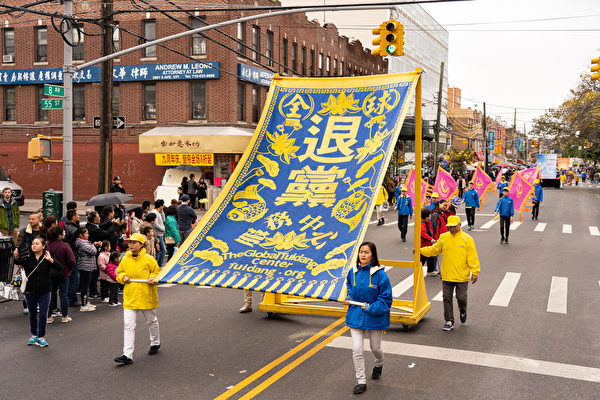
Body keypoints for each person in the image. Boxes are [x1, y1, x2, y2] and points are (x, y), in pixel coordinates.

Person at [343, 242, 392, 395]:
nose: (362, 255)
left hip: (374, 317)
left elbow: (386, 299)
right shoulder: (353, 271)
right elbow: (349, 286)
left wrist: (371, 307)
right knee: (357, 349)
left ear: (373, 255)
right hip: (356, 314)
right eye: (361, 252)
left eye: (366, 252)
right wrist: (348, 296)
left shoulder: (381, 274)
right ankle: (361, 381)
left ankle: (379, 362)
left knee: (375, 348)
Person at [419, 215, 480, 331]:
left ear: (459, 225)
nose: (451, 229)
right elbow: (434, 250)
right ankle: (449, 320)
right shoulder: (443, 237)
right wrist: (420, 251)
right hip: (447, 274)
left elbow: (472, 257)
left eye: (453, 226)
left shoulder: (467, 239)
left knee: (461, 298)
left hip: (461, 275)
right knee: (446, 298)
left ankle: (462, 310)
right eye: (449, 227)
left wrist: (475, 272)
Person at [114, 233, 161, 365]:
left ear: (141, 244)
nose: (131, 245)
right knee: (128, 326)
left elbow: (157, 272)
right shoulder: (125, 259)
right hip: (130, 297)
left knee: (152, 322)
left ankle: (155, 343)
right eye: (130, 242)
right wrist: (122, 277)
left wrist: (153, 278)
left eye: (134, 242)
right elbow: (119, 272)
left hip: (146, 296)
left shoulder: (149, 259)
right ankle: (127, 355)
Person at [14, 237, 62, 347]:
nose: (34, 245)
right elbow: (18, 261)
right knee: (32, 314)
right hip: (30, 291)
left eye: (37, 243)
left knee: (43, 314)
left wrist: (51, 260)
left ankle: (41, 336)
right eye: (33, 244)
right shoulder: (28, 258)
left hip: (45, 291)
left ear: (43, 246)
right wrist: (16, 256)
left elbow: (60, 268)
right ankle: (34, 335)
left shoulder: (47, 258)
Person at [16, 212, 43, 314]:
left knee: (39, 283)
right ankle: (26, 305)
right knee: (26, 283)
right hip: (27, 261)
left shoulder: (42, 231)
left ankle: (38, 303)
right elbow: (18, 246)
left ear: (39, 220)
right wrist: (19, 259)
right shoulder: (24, 232)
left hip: (40, 260)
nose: (31, 221)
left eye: (33, 219)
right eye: (30, 219)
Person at [46, 226, 74, 323]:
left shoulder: (47, 245)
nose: (65, 233)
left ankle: (48, 317)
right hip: (64, 273)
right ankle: (64, 316)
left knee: (49, 295)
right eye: (63, 232)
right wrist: (69, 269)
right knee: (63, 295)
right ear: (59, 235)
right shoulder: (65, 245)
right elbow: (72, 260)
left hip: (50, 273)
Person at [74, 227, 100, 312]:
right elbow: (93, 251)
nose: (88, 235)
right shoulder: (81, 243)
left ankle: (86, 302)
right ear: (81, 235)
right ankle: (84, 305)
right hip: (85, 266)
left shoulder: (84, 242)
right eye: (86, 233)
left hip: (87, 265)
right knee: (85, 287)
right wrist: (93, 245)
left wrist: (93, 244)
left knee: (86, 286)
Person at [149, 200, 166, 267]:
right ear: (161, 206)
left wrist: (162, 212)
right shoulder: (154, 213)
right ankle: (159, 265)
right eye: (163, 205)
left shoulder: (158, 212)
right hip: (157, 234)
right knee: (162, 250)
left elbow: (163, 220)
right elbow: (155, 224)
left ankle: (158, 265)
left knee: (160, 250)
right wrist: (163, 229)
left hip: (160, 234)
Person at [420, 208, 437, 277]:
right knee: (422, 258)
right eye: (429, 215)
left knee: (430, 257)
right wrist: (430, 239)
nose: (430, 216)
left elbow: (431, 232)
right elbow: (423, 233)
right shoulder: (422, 223)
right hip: (424, 244)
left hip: (428, 244)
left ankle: (430, 270)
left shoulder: (427, 222)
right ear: (427, 217)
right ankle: (418, 270)